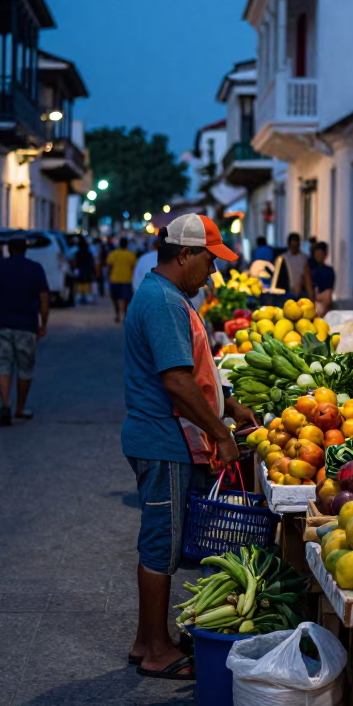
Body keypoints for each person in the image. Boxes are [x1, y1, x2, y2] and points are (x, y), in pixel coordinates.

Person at [121, 213, 258, 680]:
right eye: (209, 261)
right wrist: (219, 432)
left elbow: (193, 369)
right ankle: (157, 650)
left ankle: (147, 640)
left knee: (167, 538)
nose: (214, 272)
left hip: (170, 438)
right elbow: (177, 381)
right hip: (164, 441)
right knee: (161, 542)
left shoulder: (172, 295)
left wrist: (229, 405)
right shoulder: (162, 302)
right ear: (184, 255)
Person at [0, 236, 50, 427]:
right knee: (25, 368)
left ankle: (5, 404)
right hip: (26, 326)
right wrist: (43, 323)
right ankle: (20, 408)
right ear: (25, 250)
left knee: (3, 365)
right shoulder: (35, 269)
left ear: (8, 250)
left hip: (1, 324)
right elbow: (44, 299)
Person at [106, 236, 138, 322]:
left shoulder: (113, 254)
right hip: (126, 280)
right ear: (127, 244)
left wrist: (108, 275)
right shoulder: (131, 255)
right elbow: (133, 268)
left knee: (115, 298)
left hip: (115, 279)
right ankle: (124, 314)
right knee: (126, 298)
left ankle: (117, 314)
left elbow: (109, 267)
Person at [281, 231, 315, 300]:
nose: (294, 246)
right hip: (286, 291)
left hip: (300, 291)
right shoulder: (283, 258)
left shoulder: (304, 258)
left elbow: (307, 276)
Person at [309, 241, 335, 317]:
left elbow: (330, 289)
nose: (319, 256)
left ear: (325, 255)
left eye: (321, 254)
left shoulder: (329, 270)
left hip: (324, 299)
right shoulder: (309, 269)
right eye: (317, 254)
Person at [71, 236, 96, 304]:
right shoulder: (89, 251)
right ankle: (87, 297)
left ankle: (81, 296)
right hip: (87, 270)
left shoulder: (77, 251)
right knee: (87, 283)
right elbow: (92, 261)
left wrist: (75, 268)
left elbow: (75, 261)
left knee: (80, 283)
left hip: (80, 269)